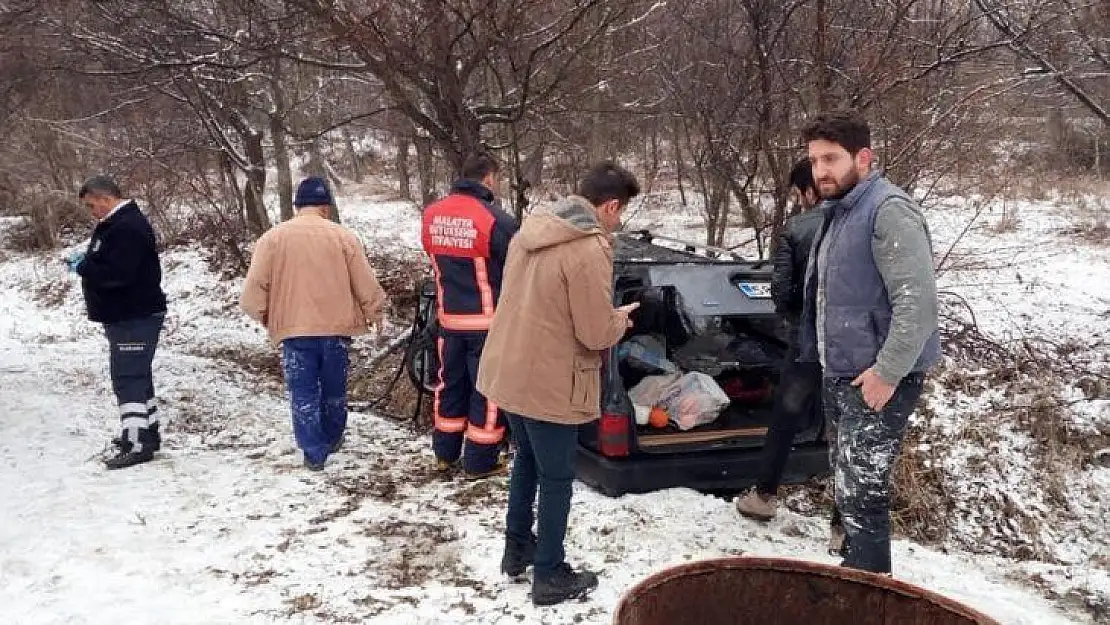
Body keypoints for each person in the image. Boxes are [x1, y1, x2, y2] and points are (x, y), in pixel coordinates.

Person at [477, 161, 641, 606]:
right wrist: (620, 322)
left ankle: (518, 550)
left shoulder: (531, 232)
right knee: (556, 478)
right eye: (620, 213)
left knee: (527, 461)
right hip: (550, 380)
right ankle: (549, 572)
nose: (619, 222)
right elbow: (592, 331)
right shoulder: (589, 248)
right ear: (609, 206)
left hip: (509, 370)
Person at [796, 110, 940, 575]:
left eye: (831, 159)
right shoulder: (839, 211)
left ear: (864, 157)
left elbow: (916, 302)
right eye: (815, 160)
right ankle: (854, 579)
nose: (821, 171)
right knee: (846, 488)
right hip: (841, 373)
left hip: (876, 377)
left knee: (863, 494)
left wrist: (887, 372)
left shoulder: (887, 210)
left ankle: (869, 589)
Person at [240, 177, 386, 471]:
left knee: (303, 391)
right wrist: (375, 312)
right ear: (326, 207)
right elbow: (364, 282)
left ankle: (313, 451)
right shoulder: (343, 237)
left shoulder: (273, 238)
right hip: (336, 329)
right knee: (334, 388)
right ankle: (332, 437)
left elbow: (254, 287)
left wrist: (262, 313)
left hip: (294, 331)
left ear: (297, 206)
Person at [735, 159, 824, 520]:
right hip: (854, 346)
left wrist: (794, 322)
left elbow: (781, 289)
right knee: (845, 427)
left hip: (808, 343)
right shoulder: (864, 221)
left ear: (808, 190)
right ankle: (844, 525)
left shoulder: (798, 228)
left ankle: (764, 495)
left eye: (800, 193)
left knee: (786, 415)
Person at [421, 151, 518, 478]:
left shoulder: (432, 215)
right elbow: (515, 269)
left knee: (449, 384)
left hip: (449, 320)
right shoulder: (496, 220)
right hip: (488, 322)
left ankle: (444, 454)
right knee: (487, 390)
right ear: (489, 178)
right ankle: (480, 460)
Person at [68, 175, 168, 470]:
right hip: (126, 315)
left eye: (91, 205)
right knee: (137, 376)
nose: (91, 211)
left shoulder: (127, 228)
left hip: (133, 315)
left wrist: (84, 267)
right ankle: (145, 433)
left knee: (129, 379)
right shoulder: (117, 224)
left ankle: (137, 443)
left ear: (104, 198)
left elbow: (119, 275)